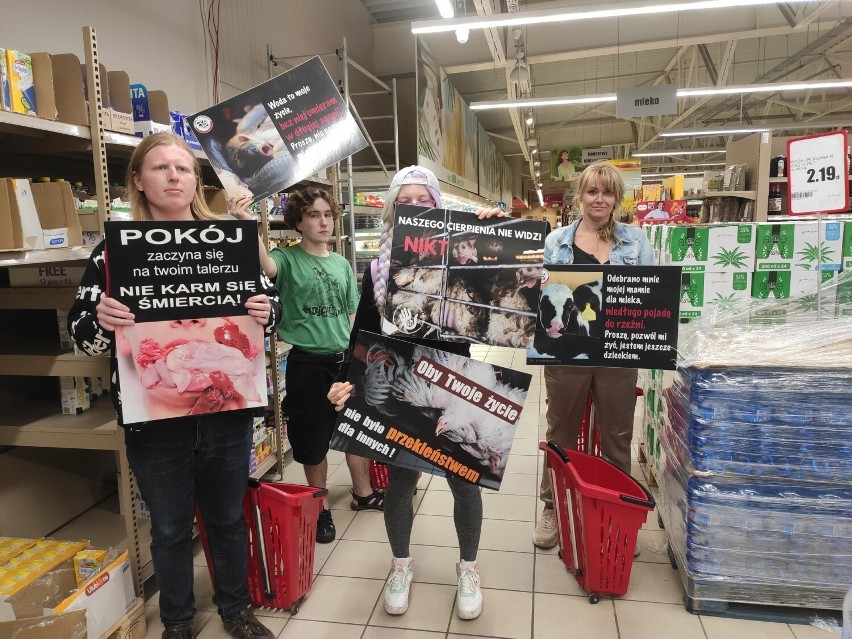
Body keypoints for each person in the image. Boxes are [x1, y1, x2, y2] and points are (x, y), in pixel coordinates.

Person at [67, 132, 280, 639]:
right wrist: (100, 318)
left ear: (196, 180)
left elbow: (273, 318)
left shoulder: (230, 242)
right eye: (160, 168)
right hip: (155, 419)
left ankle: (235, 610)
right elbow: (84, 339)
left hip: (227, 411)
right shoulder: (113, 255)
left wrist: (266, 311)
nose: (174, 177)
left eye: (183, 169)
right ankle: (178, 621)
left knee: (228, 518)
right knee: (167, 528)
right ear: (139, 181)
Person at [327, 166, 503, 621]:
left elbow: (501, 283)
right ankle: (400, 564)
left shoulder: (464, 255)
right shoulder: (380, 265)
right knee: (401, 481)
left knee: (465, 480)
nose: (414, 206)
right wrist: (349, 376)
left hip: (452, 377)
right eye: (405, 199)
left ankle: (468, 568)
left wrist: (493, 226)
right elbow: (364, 327)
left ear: (438, 205)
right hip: (402, 380)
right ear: (393, 207)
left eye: (423, 199)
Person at [532, 161, 654, 550]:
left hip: (619, 353)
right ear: (579, 196)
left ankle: (621, 511)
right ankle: (552, 508)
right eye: (591, 191)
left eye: (607, 192)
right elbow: (542, 294)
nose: (599, 199)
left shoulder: (636, 241)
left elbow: (650, 293)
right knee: (561, 433)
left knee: (616, 436)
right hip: (567, 354)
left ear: (617, 198)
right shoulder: (556, 241)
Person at [248, 186, 375, 545]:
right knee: (313, 442)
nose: (323, 222)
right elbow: (266, 265)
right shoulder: (285, 259)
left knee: (354, 432)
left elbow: (352, 314)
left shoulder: (341, 263)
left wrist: (357, 360)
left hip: (342, 363)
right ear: (298, 222)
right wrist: (247, 221)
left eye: (328, 215)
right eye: (314, 215)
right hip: (306, 364)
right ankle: (319, 507)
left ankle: (362, 493)